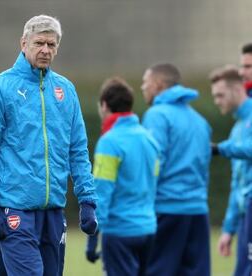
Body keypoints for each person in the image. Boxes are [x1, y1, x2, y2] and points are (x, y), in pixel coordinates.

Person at [0, 15, 97, 276]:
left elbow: (77, 150)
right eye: (39, 43)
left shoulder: (66, 90)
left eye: (51, 45)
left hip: (53, 211)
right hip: (14, 209)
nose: (45, 50)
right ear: (23, 43)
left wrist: (87, 200)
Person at [141, 63, 212, 276]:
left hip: (166, 209)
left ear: (158, 85)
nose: (142, 87)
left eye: (146, 83)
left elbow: (153, 162)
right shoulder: (200, 120)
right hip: (198, 210)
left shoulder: (157, 115)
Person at [85, 76, 160, 275]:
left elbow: (102, 191)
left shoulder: (109, 142)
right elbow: (154, 184)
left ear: (104, 105)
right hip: (148, 228)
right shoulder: (149, 139)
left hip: (120, 232)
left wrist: (92, 239)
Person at [209, 65, 252, 276]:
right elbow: (238, 184)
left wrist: (219, 148)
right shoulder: (237, 129)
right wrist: (228, 229)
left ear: (236, 90)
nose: (217, 101)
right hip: (247, 215)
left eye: (220, 95)